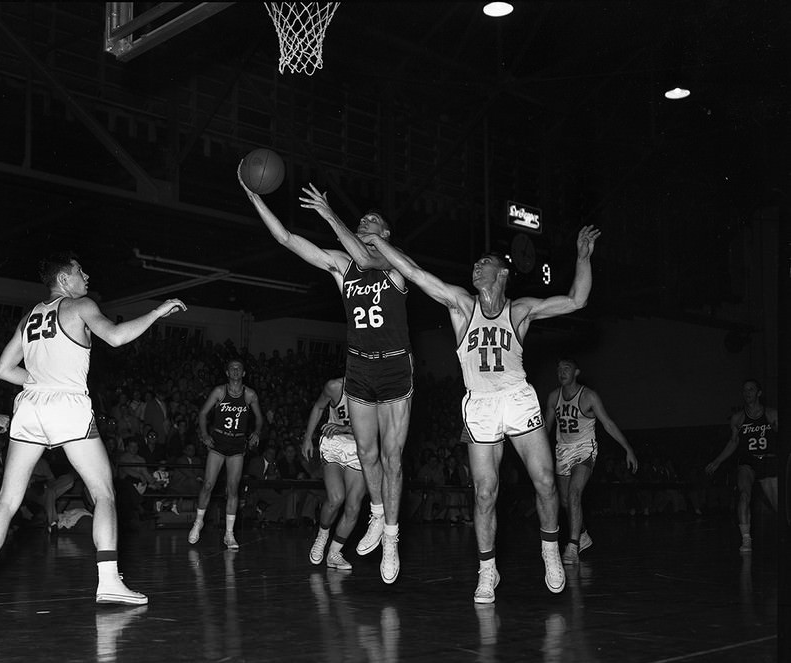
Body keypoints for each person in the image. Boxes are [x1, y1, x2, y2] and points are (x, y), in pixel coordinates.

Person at [365, 225, 600, 603]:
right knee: (485, 492)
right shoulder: (461, 304)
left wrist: (583, 257)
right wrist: (381, 243)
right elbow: (414, 273)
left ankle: (550, 553)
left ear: (503, 273)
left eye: (484, 262)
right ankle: (487, 571)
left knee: (544, 481)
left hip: (517, 396)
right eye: (475, 263)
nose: (476, 267)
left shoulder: (520, 310)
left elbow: (576, 300)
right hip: (480, 403)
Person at [0, 252, 185, 609]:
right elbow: (118, 337)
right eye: (80, 271)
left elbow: (2, 369)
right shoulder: (79, 306)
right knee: (104, 492)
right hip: (67, 404)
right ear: (64, 280)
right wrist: (156, 313)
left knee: (7, 500)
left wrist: (41, 382)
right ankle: (109, 582)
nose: (87, 276)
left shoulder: (30, 315)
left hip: (30, 406)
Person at [240, 171, 412, 585]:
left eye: (372, 220)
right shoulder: (342, 267)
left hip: (393, 366)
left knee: (392, 457)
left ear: (385, 232)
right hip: (360, 366)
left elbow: (369, 257)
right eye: (362, 221)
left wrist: (330, 213)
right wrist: (254, 197)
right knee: (368, 455)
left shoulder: (392, 262)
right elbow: (286, 239)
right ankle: (377, 517)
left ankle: (391, 539)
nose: (365, 223)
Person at [544, 357, 637, 564]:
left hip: (585, 449)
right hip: (562, 450)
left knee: (574, 494)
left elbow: (608, 424)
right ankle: (583, 534)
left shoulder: (589, 396)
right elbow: (546, 428)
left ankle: (573, 546)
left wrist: (627, 449)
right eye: (559, 368)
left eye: (567, 367)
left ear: (576, 372)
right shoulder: (553, 397)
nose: (562, 371)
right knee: (567, 502)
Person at [188, 358, 263, 550]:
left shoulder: (250, 394)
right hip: (218, 442)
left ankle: (229, 534)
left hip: (237, 444)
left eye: (239, 368)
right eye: (232, 369)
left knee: (233, 488)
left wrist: (256, 432)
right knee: (208, 484)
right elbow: (203, 413)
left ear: (244, 373)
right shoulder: (220, 391)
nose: (236, 371)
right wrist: (204, 435)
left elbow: (260, 419)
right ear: (227, 373)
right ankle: (198, 523)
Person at [705, 379, 778, 553]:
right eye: (745, 390)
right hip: (748, 462)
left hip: (768, 461)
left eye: (751, 389)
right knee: (744, 495)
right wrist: (717, 461)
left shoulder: (772, 414)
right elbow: (733, 442)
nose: (747, 393)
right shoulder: (738, 418)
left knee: (779, 505)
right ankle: (746, 539)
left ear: (759, 393)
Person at [302, 377, 366, 571]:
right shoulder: (334, 386)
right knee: (336, 498)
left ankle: (334, 553)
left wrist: (346, 428)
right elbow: (318, 407)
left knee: (353, 507)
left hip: (360, 447)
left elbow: (378, 426)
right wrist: (307, 438)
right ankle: (322, 535)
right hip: (335, 444)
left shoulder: (374, 391)